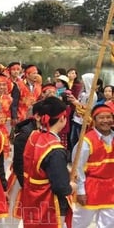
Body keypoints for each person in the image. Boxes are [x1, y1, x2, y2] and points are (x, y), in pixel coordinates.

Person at [21, 96, 75, 228]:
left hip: (31, 197)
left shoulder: (34, 135)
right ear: (62, 118)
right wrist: (71, 187)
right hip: (48, 202)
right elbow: (61, 187)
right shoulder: (55, 149)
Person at [72, 104, 114, 228]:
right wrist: (80, 191)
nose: (106, 121)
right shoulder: (86, 141)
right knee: (79, 223)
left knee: (109, 224)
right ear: (94, 120)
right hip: (90, 188)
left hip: (111, 189)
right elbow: (77, 168)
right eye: (101, 118)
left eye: (109, 117)